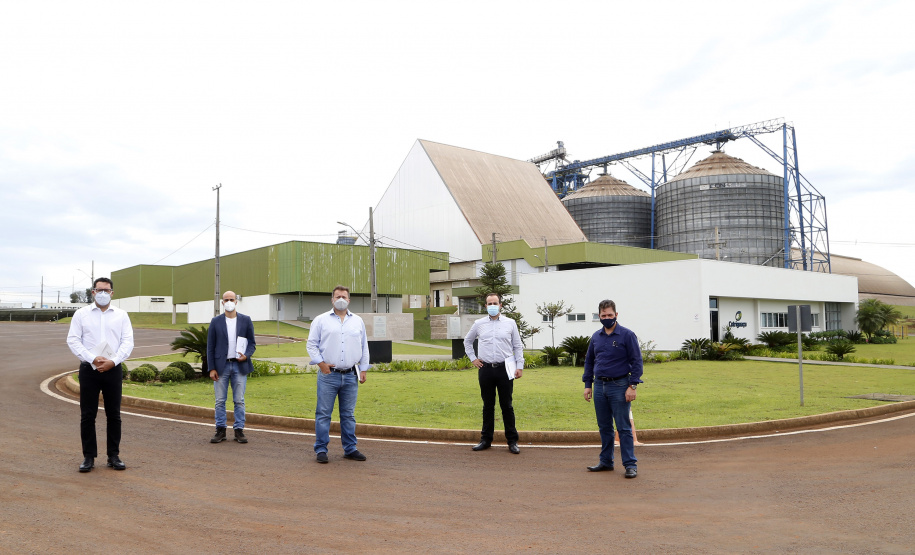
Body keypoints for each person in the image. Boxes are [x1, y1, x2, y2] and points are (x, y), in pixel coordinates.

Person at [66, 277, 134, 473]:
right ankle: (88, 456)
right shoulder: (81, 314)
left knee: (114, 414)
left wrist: (113, 361)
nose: (103, 293)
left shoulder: (121, 315)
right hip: (89, 370)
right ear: (93, 292)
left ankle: (113, 455)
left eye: (107, 290)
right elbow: (73, 340)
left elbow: (127, 342)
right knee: (88, 415)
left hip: (113, 369)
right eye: (99, 290)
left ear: (112, 293)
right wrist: (92, 358)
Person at [306, 286, 369, 464]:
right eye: (337, 296)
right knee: (324, 413)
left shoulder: (357, 321)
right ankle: (321, 449)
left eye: (344, 296)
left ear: (349, 300)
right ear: (332, 300)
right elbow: (311, 344)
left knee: (348, 415)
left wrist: (363, 369)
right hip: (329, 375)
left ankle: (350, 448)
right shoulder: (321, 320)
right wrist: (321, 363)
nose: (341, 299)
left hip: (350, 375)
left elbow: (364, 345)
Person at [582, 299, 643, 478]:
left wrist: (632, 386)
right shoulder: (596, 337)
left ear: (616, 315)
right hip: (600, 386)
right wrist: (588, 385)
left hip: (620, 385)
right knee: (604, 427)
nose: (607, 318)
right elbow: (589, 361)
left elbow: (636, 361)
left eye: (610, 315)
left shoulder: (627, 335)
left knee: (623, 427)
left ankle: (630, 464)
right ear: (599, 316)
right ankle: (606, 461)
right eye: (603, 315)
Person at [463, 292, 524, 454]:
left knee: (507, 405)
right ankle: (486, 439)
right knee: (488, 406)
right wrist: (473, 359)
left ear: (500, 305)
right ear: (485, 306)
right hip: (486, 369)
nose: (492, 306)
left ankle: (512, 441)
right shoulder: (479, 323)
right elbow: (467, 341)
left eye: (495, 303)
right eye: (489, 304)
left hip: (505, 368)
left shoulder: (510, 323)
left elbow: (517, 346)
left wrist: (520, 366)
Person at [206, 291, 257, 444]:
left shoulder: (245, 320)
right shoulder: (216, 321)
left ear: (236, 302)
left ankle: (239, 430)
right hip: (221, 366)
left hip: (239, 365)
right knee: (220, 400)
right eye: (226, 300)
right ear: (222, 303)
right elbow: (210, 346)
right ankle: (220, 430)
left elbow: (252, 343)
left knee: (239, 400)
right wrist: (212, 368)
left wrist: (246, 355)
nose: (229, 302)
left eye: (231, 299)